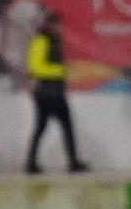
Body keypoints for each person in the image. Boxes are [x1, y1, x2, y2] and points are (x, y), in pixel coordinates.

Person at [23, 10, 88, 174]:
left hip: (54, 91)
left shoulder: (52, 41)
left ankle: (34, 162)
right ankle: (70, 162)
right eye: (57, 25)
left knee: (51, 127)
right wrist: (60, 71)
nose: (60, 28)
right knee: (55, 127)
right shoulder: (41, 41)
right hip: (47, 92)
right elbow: (35, 67)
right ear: (50, 25)